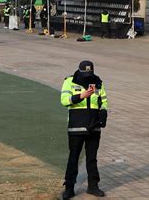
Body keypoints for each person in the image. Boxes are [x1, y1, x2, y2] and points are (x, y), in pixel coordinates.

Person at [60, 61, 108, 199]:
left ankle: (93, 186)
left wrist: (103, 114)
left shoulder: (98, 82)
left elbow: (103, 101)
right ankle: (69, 188)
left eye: (90, 73)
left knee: (92, 159)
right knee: (73, 157)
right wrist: (82, 95)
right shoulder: (69, 81)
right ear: (79, 71)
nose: (88, 76)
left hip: (94, 127)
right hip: (77, 126)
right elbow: (64, 100)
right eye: (85, 74)